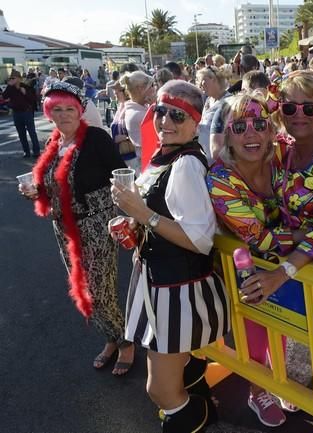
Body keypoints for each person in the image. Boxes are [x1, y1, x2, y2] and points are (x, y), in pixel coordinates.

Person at [111, 80, 230, 432]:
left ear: (196, 123)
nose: (165, 121)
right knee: (180, 375)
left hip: (179, 291)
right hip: (160, 284)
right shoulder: (165, 156)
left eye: (178, 115)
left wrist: (142, 213)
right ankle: (199, 402)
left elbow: (199, 240)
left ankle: (196, 417)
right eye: (160, 111)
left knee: (161, 391)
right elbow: (163, 218)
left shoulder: (186, 165)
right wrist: (134, 222)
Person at [240, 71, 313, 433]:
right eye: (289, 106)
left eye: (308, 106)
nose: (298, 114)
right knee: (266, 326)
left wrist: (283, 270)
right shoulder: (279, 151)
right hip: (279, 258)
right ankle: (265, 390)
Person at [19, 81, 134, 375]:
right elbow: (48, 185)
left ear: (80, 111)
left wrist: (131, 213)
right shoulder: (52, 143)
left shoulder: (95, 138)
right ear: (48, 112)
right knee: (82, 288)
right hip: (64, 228)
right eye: (57, 109)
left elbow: (121, 175)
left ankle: (125, 342)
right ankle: (111, 338)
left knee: (99, 289)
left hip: (96, 223)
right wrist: (36, 192)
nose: (64, 114)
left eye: (70, 108)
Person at [208, 93, 300, 427]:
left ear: (271, 128)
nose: (251, 134)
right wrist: (306, 238)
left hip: (284, 263)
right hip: (241, 267)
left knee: (284, 324)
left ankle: (280, 381)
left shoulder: (282, 154)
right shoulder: (219, 176)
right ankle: (258, 388)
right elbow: (257, 237)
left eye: (260, 124)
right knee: (254, 331)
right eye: (240, 127)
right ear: (228, 134)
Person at [119, 71, 156, 173]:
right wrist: (155, 105)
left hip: (150, 163)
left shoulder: (140, 108)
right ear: (140, 89)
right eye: (151, 86)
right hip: (151, 166)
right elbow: (162, 127)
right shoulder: (138, 115)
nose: (154, 89)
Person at [2, 70, 40, 158]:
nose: (12, 80)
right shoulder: (10, 88)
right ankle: (26, 152)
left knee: (32, 132)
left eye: (14, 78)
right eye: (11, 78)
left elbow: (33, 99)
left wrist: (25, 93)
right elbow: (4, 97)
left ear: (19, 79)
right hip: (16, 113)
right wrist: (9, 86)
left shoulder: (26, 87)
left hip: (27, 112)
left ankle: (36, 151)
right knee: (21, 134)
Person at [196, 66, 229, 164]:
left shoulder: (228, 102)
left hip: (219, 162)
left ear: (213, 79)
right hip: (205, 159)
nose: (200, 85)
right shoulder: (208, 101)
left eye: (203, 81)